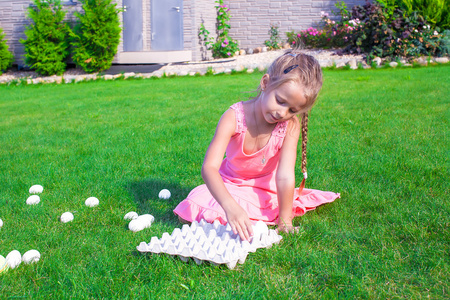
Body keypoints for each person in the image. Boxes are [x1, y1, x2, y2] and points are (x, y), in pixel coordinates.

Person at [174, 50, 340, 241]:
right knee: (196, 200)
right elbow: (209, 168)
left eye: (292, 110)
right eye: (280, 101)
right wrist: (230, 207)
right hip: (231, 184)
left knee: (269, 205)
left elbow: (285, 176)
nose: (282, 113)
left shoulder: (290, 125)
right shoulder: (234, 117)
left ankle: (252, 214)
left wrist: (285, 220)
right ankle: (237, 213)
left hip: (266, 190)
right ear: (265, 83)